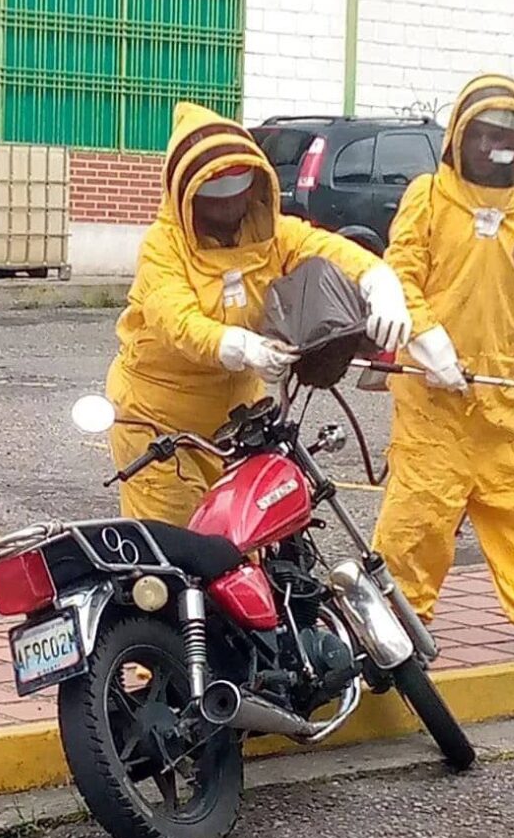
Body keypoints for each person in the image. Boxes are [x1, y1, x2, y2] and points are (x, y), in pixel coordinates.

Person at [105, 101, 411, 527]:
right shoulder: (163, 247)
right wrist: (240, 345)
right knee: (178, 549)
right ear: (187, 195)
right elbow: (176, 320)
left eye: (238, 193)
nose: (229, 209)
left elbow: (326, 249)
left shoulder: (271, 233)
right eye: (215, 198)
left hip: (239, 420)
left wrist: (379, 281)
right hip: (159, 423)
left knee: (250, 540)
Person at [373, 73, 514, 660]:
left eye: (509, 138)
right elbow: (402, 277)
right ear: (461, 137)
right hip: (431, 390)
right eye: (487, 135)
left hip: (502, 386)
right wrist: (430, 343)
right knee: (420, 512)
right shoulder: (429, 195)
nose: (498, 148)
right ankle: (402, 624)